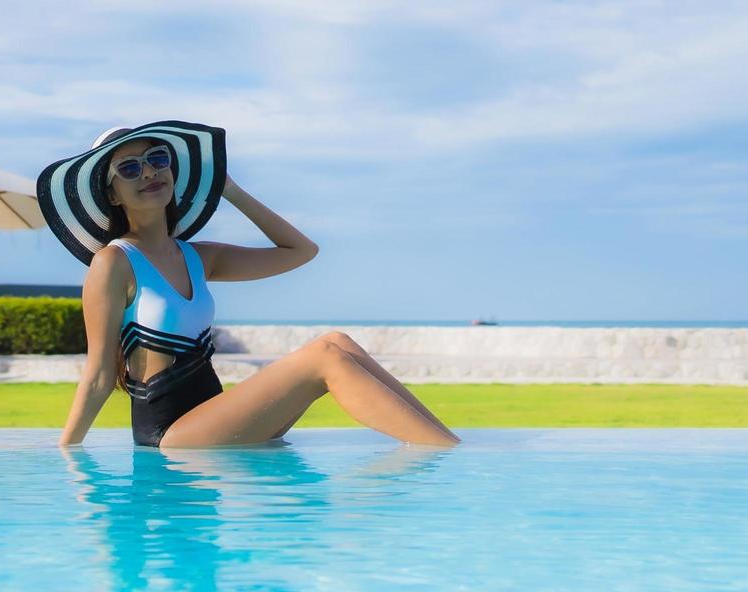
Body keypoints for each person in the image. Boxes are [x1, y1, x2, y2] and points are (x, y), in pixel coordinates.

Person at [36, 120, 460, 449]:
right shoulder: (113, 263)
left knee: (339, 342)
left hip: (215, 414)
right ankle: (447, 453)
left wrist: (231, 190)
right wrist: (68, 454)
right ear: (113, 194)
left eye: (157, 159)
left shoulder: (197, 256)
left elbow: (300, 251)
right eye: (129, 168)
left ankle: (448, 445)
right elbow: (96, 377)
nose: (148, 172)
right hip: (170, 433)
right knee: (326, 357)